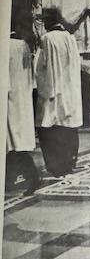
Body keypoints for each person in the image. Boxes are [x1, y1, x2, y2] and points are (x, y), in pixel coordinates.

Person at [35, 8, 84, 178]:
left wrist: (43, 90)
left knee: (49, 128)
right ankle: (69, 163)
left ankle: (56, 166)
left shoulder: (47, 39)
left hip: (53, 92)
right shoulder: (70, 38)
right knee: (68, 127)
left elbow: (41, 67)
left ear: (49, 20)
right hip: (69, 91)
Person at [6, 26, 40, 196]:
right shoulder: (24, 45)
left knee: (14, 142)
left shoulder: (6, 46)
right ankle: (9, 180)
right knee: (13, 143)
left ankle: (32, 176)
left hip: (10, 99)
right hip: (23, 98)